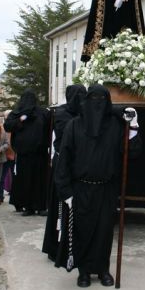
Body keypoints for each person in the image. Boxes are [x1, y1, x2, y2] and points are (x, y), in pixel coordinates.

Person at [54, 85, 140, 287]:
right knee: (83, 230)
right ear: (86, 101)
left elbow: (132, 152)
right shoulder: (74, 126)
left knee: (104, 231)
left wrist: (133, 125)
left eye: (102, 99)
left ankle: (103, 270)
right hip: (81, 188)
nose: (97, 104)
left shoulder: (116, 126)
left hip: (106, 188)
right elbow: (64, 159)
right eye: (93, 98)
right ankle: (83, 271)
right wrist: (65, 190)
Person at [42, 84, 86, 261]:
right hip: (64, 165)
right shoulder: (61, 114)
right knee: (60, 207)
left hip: (80, 166)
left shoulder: (85, 114)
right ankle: (56, 247)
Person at [4, 90, 50, 216]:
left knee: (39, 180)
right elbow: (8, 126)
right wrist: (21, 119)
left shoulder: (43, 113)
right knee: (26, 180)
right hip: (24, 154)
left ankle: (41, 206)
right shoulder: (16, 113)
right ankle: (28, 206)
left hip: (40, 153)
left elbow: (49, 129)